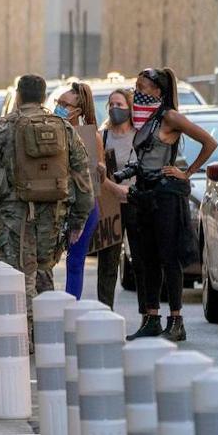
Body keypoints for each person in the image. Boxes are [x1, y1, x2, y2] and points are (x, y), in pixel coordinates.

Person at [0, 73, 94, 319]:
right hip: (52, 215)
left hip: (14, 216)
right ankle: (47, 333)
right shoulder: (64, 129)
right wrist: (79, 219)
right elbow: (83, 178)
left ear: (19, 96)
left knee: (16, 277)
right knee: (43, 273)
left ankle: (24, 334)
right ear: (44, 97)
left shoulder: (3, 127)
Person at [124, 67, 217, 343]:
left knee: (168, 257)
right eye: (136, 86)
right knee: (148, 258)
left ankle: (176, 320)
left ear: (158, 91)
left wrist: (186, 172)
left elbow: (209, 142)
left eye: (142, 87)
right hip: (144, 194)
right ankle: (151, 317)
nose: (137, 91)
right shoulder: (145, 119)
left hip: (166, 197)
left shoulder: (170, 117)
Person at [54, 82, 103, 299]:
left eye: (65, 104)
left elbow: (98, 176)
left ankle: (71, 306)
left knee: (75, 261)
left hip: (83, 208)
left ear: (78, 111)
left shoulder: (91, 137)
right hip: (56, 204)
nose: (60, 107)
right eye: (59, 102)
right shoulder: (51, 132)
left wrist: (100, 168)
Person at [100, 88, 140, 309]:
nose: (115, 109)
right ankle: (104, 309)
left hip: (135, 203)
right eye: (111, 105)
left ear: (130, 108)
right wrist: (113, 188)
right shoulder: (103, 135)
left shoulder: (140, 135)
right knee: (108, 261)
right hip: (111, 206)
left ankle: (148, 314)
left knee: (141, 259)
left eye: (120, 105)